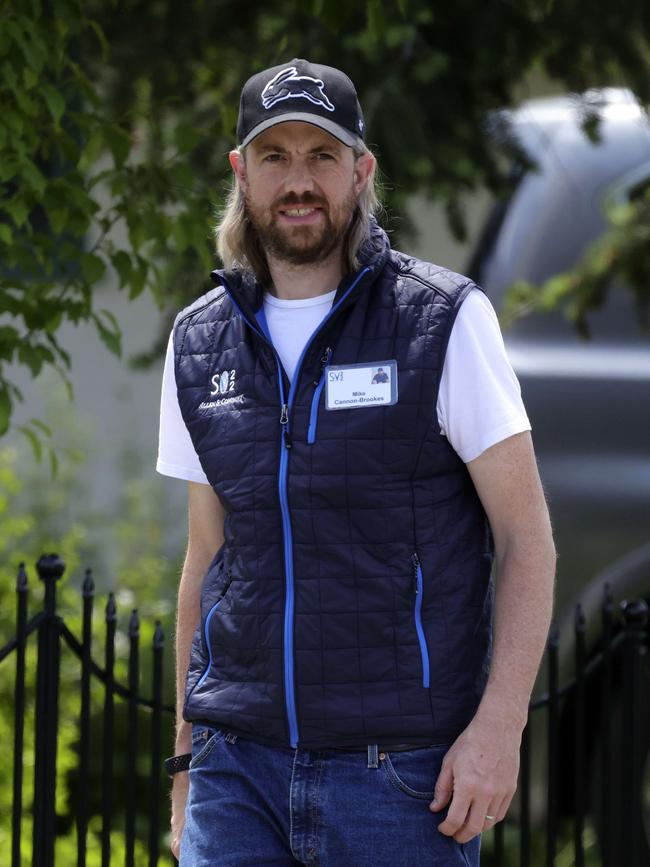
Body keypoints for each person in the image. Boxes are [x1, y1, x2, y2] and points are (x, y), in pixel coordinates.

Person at [157, 58, 556, 867]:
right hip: (237, 770)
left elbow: (526, 541)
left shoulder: (443, 321)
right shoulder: (198, 341)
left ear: (361, 171)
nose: (298, 182)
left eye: (322, 156)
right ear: (242, 172)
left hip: (401, 780)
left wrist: (498, 727)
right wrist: (186, 757)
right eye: (275, 157)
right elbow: (207, 556)